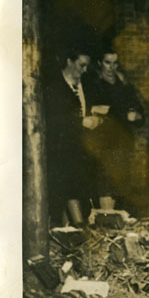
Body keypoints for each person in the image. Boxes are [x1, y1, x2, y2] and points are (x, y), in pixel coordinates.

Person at [43, 46, 100, 226]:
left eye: (87, 66)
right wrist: (81, 123)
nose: (84, 70)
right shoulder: (53, 87)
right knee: (64, 194)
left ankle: (74, 229)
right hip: (60, 150)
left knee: (77, 191)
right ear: (69, 61)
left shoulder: (86, 86)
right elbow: (53, 120)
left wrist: (97, 119)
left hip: (81, 149)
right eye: (81, 65)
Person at [83, 46, 145, 212]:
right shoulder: (93, 83)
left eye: (115, 63)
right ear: (99, 63)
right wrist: (122, 114)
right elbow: (93, 109)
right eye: (107, 63)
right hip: (104, 143)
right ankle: (105, 221)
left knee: (121, 187)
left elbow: (140, 114)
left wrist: (136, 116)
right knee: (105, 186)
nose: (112, 67)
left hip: (124, 143)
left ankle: (115, 223)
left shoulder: (123, 84)